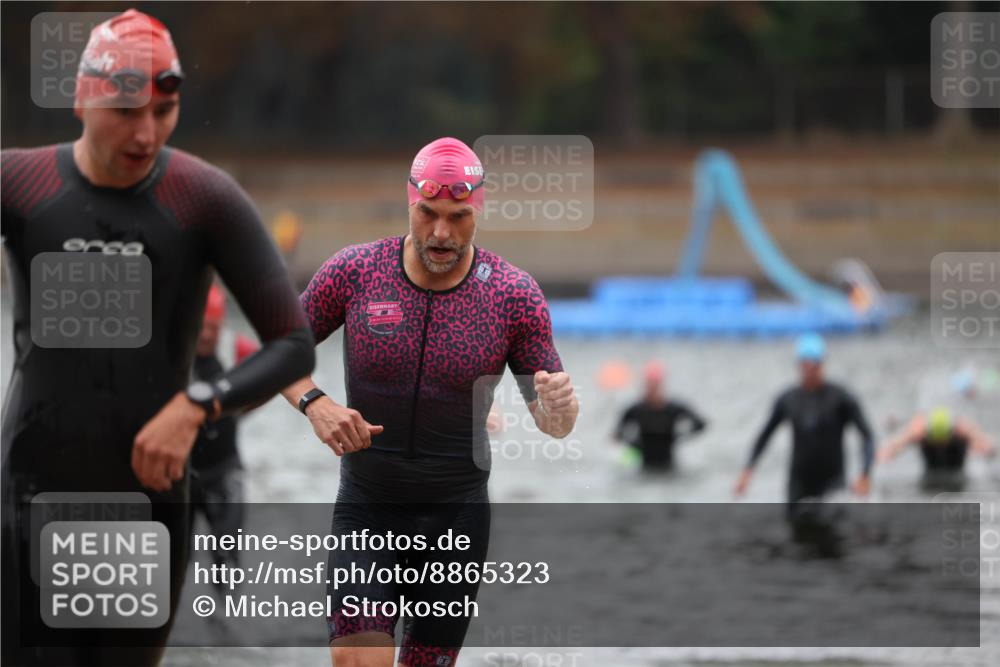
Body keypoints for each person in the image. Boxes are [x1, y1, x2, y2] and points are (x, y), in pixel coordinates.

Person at [1, 10, 314, 665]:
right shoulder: (20, 184)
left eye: (165, 111)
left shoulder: (203, 198)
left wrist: (197, 403)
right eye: (126, 111)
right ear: (84, 96)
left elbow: (293, 343)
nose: (146, 133)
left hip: (143, 507)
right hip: (26, 495)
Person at [280, 137, 579, 667]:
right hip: (368, 510)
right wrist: (315, 403)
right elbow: (278, 350)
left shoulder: (512, 296)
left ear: (478, 212)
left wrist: (560, 408)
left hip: (456, 522)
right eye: (428, 213)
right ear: (410, 203)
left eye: (459, 217)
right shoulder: (355, 273)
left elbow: (554, 424)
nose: (441, 233)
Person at [733, 334, 874, 510]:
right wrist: (747, 470)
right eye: (805, 364)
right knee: (796, 532)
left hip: (833, 482)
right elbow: (765, 436)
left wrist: (865, 474)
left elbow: (867, 436)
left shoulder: (840, 398)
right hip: (799, 482)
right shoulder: (788, 399)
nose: (810, 369)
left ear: (822, 364)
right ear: (799, 365)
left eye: (815, 364)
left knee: (834, 529)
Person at [189, 285, 260, 582]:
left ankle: (225, 616)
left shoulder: (237, 348)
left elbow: (271, 377)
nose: (206, 335)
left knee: (228, 553)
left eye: (213, 328)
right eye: (200, 327)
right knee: (172, 552)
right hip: (182, 469)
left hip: (224, 467)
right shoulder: (173, 352)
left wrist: (240, 411)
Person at [613, 361, 707, 472]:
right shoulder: (636, 410)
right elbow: (617, 434)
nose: (652, 390)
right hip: (645, 463)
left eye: (655, 386)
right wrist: (635, 444)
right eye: (649, 386)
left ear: (661, 387)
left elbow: (701, 424)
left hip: (668, 462)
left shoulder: (674, 408)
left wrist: (680, 436)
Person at [878, 406, 995, 492]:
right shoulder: (920, 431)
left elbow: (988, 448)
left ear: (951, 432)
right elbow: (894, 447)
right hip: (930, 475)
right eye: (937, 441)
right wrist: (886, 455)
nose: (940, 444)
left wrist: (982, 447)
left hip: (957, 474)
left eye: (943, 441)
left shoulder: (961, 430)